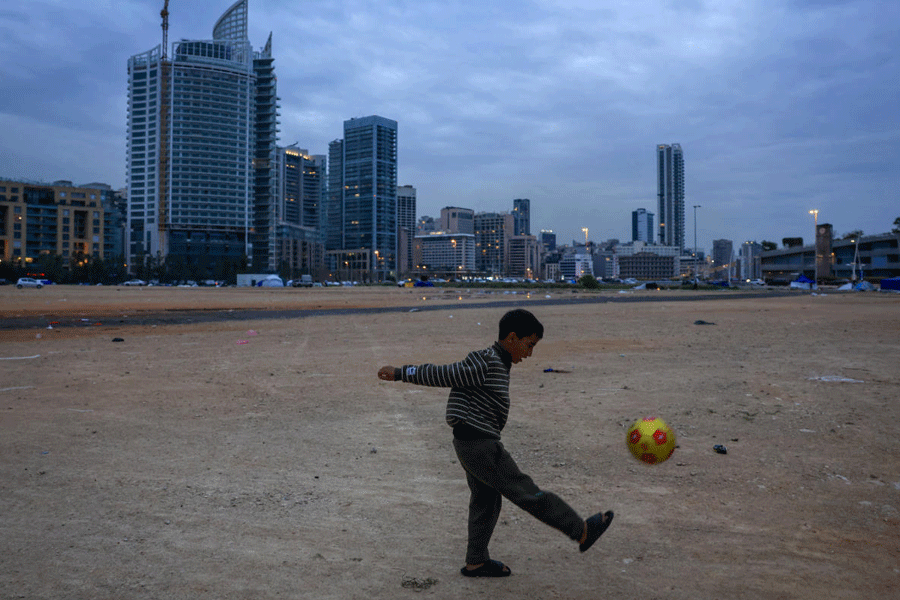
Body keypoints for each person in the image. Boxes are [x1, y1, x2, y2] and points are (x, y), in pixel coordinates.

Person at [377, 308, 613, 578]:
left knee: (486, 500)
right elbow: (445, 374)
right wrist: (401, 372)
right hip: (480, 446)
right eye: (529, 344)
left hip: (472, 443)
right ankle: (581, 530)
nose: (530, 353)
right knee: (525, 490)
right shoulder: (487, 361)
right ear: (512, 338)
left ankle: (476, 562)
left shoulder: (498, 363)